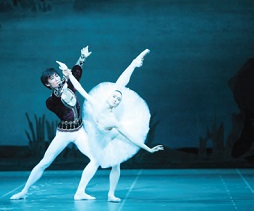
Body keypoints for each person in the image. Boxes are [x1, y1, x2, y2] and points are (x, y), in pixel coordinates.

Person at [57, 49, 164, 202]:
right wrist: (68, 73)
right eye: (114, 96)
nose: (115, 99)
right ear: (108, 97)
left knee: (116, 163)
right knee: (95, 161)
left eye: (118, 100)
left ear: (118, 104)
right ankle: (80, 192)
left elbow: (130, 136)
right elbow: (79, 89)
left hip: (114, 133)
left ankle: (111, 194)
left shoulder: (114, 120)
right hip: (101, 139)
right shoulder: (96, 103)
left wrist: (149, 149)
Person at [10, 46, 99, 201]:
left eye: (56, 76)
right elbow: (59, 95)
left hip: (79, 131)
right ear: (47, 84)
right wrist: (66, 76)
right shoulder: (51, 101)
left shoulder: (69, 84)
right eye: (52, 78)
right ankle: (24, 191)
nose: (56, 78)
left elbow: (76, 72)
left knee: (96, 159)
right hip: (64, 134)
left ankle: (80, 192)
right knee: (44, 162)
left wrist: (82, 57)